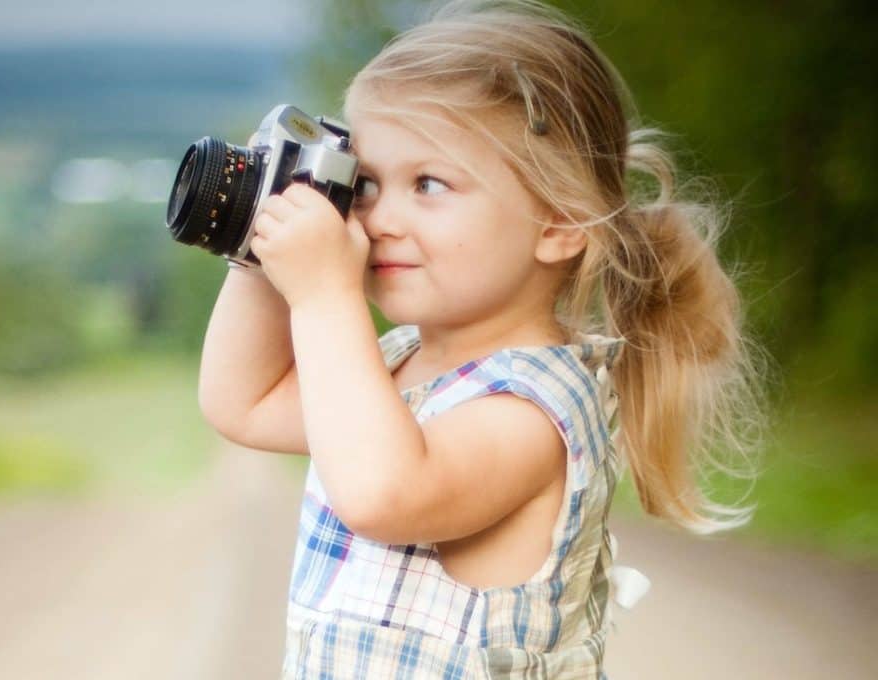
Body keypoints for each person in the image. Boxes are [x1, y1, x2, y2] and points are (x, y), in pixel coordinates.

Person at [197, 0, 763, 677]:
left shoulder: (534, 410)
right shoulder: (397, 363)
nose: (379, 219)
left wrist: (323, 293)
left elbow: (383, 493)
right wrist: (263, 245)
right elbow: (245, 403)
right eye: (368, 183)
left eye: (429, 184)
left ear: (558, 222)